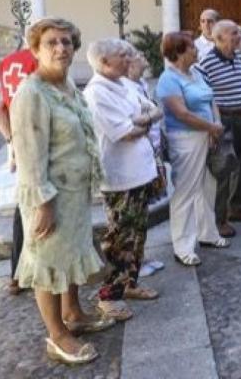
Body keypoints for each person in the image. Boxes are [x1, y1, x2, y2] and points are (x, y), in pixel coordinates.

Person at [10, 17, 112, 365]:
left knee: (70, 257)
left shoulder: (68, 85)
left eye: (67, 42)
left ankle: (73, 313)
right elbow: (29, 154)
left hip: (73, 193)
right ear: (36, 50)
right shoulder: (31, 93)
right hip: (48, 197)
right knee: (48, 263)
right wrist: (43, 203)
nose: (61, 48)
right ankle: (57, 335)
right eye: (51, 42)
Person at [83, 39, 160, 323]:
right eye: (121, 56)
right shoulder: (96, 93)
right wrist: (142, 121)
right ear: (104, 62)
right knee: (119, 236)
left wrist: (142, 120)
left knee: (137, 233)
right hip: (119, 176)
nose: (129, 59)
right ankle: (109, 295)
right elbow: (126, 132)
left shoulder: (124, 84)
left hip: (140, 170)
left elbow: (151, 109)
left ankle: (130, 282)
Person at [156, 32, 229, 266]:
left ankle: (208, 233)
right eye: (192, 48)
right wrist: (211, 127)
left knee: (207, 186)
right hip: (186, 139)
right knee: (186, 192)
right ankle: (183, 246)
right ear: (178, 52)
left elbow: (210, 99)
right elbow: (182, 113)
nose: (197, 51)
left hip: (207, 135)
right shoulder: (168, 79)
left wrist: (214, 127)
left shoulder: (195, 73)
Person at [194, 20, 241, 236]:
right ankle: (219, 218)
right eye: (234, 33)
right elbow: (203, 95)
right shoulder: (206, 63)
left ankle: (239, 207)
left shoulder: (239, 57)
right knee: (224, 169)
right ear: (220, 37)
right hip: (224, 119)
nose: (239, 36)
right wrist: (212, 126)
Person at [0, 40, 37, 295]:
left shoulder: (5, 63)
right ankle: (31, 274)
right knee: (31, 206)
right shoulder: (39, 61)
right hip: (36, 142)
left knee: (23, 207)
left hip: (17, 140)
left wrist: (10, 139)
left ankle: (17, 274)